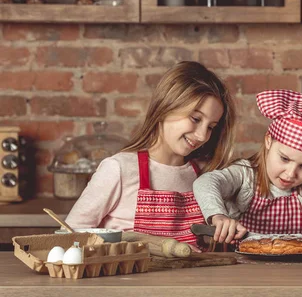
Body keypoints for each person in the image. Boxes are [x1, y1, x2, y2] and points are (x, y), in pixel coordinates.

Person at [65, 61, 236, 245]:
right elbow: (70, 236)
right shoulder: (120, 169)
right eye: (195, 119)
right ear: (165, 107)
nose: (202, 135)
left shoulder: (205, 176)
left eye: (211, 127)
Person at [193, 90, 302, 250]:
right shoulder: (245, 175)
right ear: (269, 141)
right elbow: (206, 182)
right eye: (285, 159)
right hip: (241, 269)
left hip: (300, 272)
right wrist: (218, 216)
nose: (290, 174)